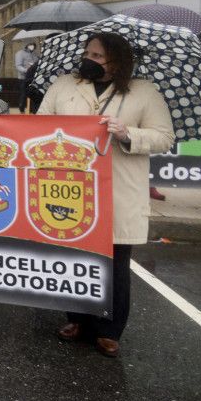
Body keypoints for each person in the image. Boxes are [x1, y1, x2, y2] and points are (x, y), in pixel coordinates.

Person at [38, 32, 174, 357]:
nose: (90, 59)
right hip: (70, 186)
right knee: (72, 256)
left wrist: (128, 133)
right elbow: (39, 124)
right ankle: (77, 319)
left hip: (118, 188)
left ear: (117, 60)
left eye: (98, 56)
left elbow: (164, 137)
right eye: (88, 53)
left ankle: (110, 329)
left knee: (114, 261)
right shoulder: (64, 85)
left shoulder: (143, 92)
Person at [15, 42, 39, 113]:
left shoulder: (35, 54)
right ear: (26, 45)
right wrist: (27, 70)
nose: (32, 47)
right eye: (30, 45)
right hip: (23, 78)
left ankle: (32, 110)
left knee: (33, 95)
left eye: (33, 45)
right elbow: (18, 66)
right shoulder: (20, 53)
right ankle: (21, 109)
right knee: (23, 94)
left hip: (33, 78)